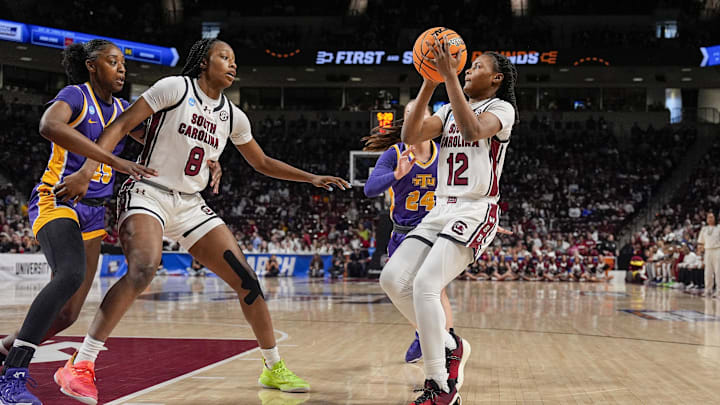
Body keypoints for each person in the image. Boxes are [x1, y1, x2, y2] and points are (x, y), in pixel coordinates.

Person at [53, 39, 349, 404]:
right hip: (148, 191)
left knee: (248, 281)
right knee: (144, 268)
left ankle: (273, 366)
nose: (232, 64)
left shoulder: (233, 115)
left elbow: (262, 162)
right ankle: (81, 364)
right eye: (224, 57)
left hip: (191, 204)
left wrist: (312, 178)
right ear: (204, 62)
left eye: (235, 59)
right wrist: (87, 169)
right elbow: (119, 125)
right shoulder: (175, 87)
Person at [0, 39, 157, 405]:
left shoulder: (121, 108)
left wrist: (209, 157)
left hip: (94, 214)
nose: (121, 69)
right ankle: (13, 379)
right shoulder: (76, 95)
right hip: (57, 201)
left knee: (69, 314)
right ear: (91, 65)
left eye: (123, 64)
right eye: (113, 62)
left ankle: (6, 347)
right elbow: (48, 125)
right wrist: (112, 162)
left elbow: (156, 140)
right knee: (69, 274)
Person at [379, 38, 518, 404]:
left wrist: (450, 79)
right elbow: (410, 135)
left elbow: (474, 130)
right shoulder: (446, 110)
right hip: (440, 209)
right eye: (466, 68)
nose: (468, 70)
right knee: (392, 279)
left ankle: (441, 386)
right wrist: (429, 80)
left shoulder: (502, 109)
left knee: (426, 284)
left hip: (476, 209)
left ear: (497, 79)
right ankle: (449, 343)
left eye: (476, 68)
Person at [363, 100, 454, 364]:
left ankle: (443, 348)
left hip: (435, 231)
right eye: (408, 116)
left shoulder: (445, 154)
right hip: (402, 234)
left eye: (420, 115)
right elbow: (370, 189)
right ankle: (423, 332)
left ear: (430, 122)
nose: (414, 121)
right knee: (400, 287)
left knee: (434, 290)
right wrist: (397, 174)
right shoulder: (394, 153)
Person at [698, 212, 719, 297]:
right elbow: (700, 242)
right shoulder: (704, 229)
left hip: (717, 250)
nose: (710, 219)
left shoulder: (719, 228)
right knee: (708, 272)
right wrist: (700, 251)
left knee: (718, 271)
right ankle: (708, 290)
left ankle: (719, 291)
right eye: (708, 217)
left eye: (711, 217)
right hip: (707, 251)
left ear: (715, 218)